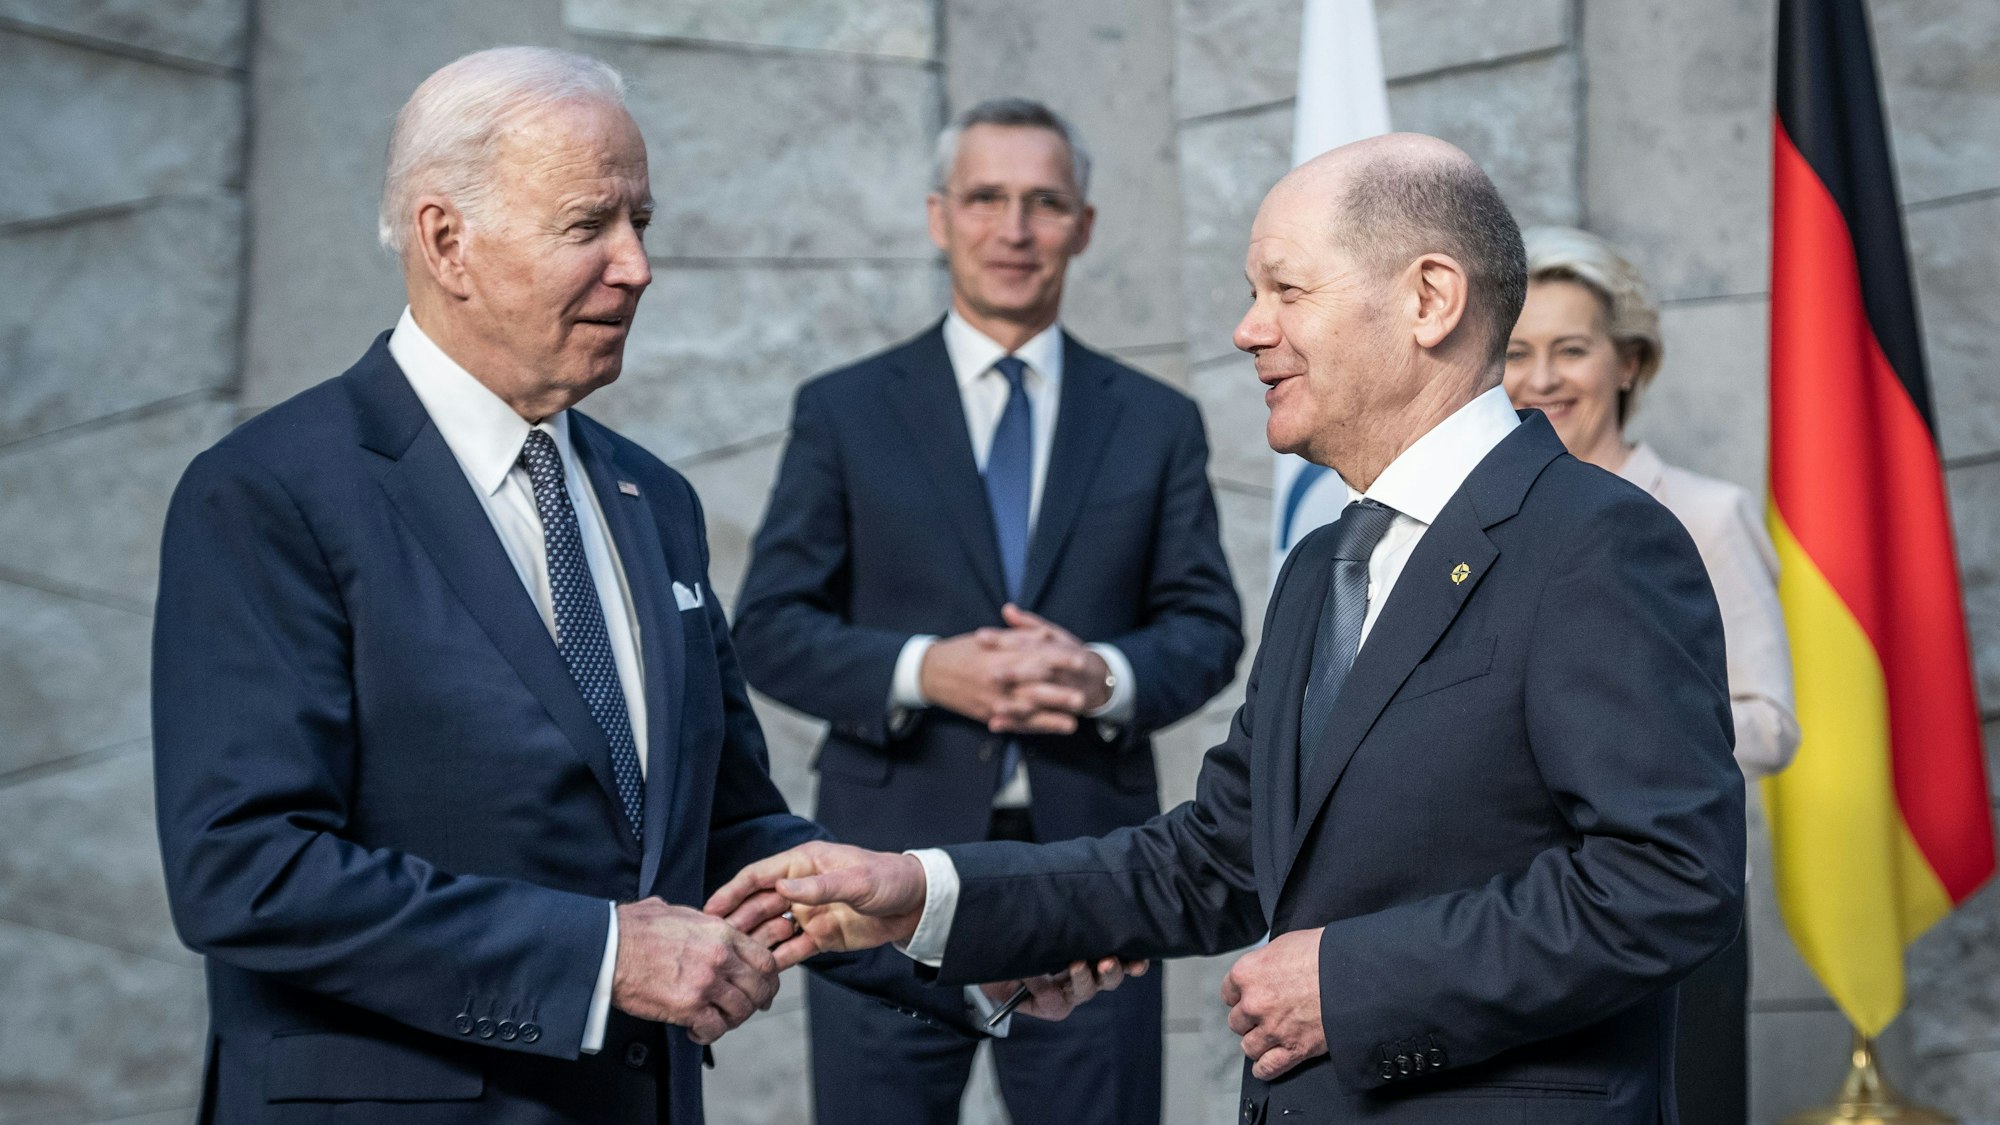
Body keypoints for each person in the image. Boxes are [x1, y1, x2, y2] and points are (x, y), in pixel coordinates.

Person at [150, 47, 1122, 1125]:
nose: (636, 267)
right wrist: (601, 956)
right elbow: (245, 871)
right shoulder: (270, 493)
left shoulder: (648, 499)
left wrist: (954, 940)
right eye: (588, 227)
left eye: (640, 223)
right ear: (445, 241)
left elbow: (727, 832)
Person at [711, 134, 1747, 1125]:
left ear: (1427, 299)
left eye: (1285, 290)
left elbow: (1665, 882)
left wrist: (1346, 981)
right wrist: (924, 889)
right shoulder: (1321, 565)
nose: (1248, 329)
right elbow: (1212, 860)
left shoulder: (1595, 541)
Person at [731, 97, 1244, 1125]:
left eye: (1043, 203)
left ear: (1084, 225)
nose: (1013, 229)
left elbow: (1205, 626)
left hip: (1088, 877)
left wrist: (1104, 679)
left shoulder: (1153, 421)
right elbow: (770, 626)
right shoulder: (844, 409)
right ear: (938, 216)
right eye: (986, 199)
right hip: (881, 878)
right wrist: (927, 669)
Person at [1503, 225, 1800, 1125]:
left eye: (1571, 349)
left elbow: (1774, 721)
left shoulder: (1707, 516)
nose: (1543, 377)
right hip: (1516, 920)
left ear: (1628, 362)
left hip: (1671, 912)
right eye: (1517, 352)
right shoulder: (1487, 528)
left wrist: (1614, 740)